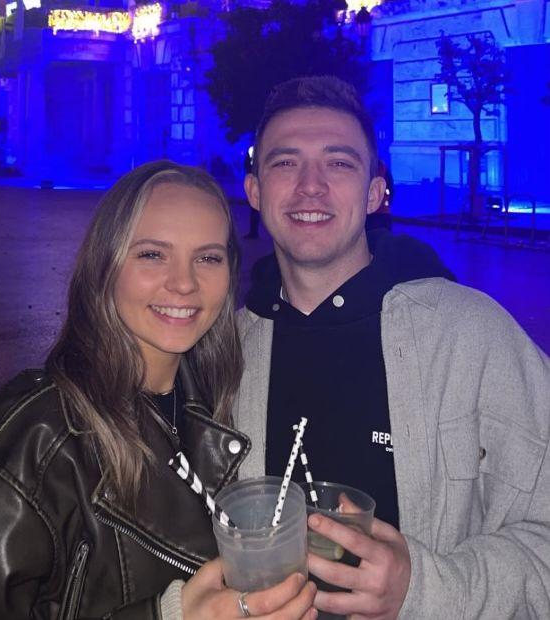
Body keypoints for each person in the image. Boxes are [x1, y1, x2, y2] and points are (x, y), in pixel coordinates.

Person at [0, 160, 317, 619]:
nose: (184, 283)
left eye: (208, 257)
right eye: (152, 254)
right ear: (105, 264)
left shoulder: (217, 407)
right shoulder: (33, 443)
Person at [234, 76, 550, 618]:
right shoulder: (226, 353)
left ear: (375, 193)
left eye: (339, 163)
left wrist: (428, 589)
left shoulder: (471, 336)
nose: (310, 186)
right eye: (286, 163)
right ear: (255, 191)